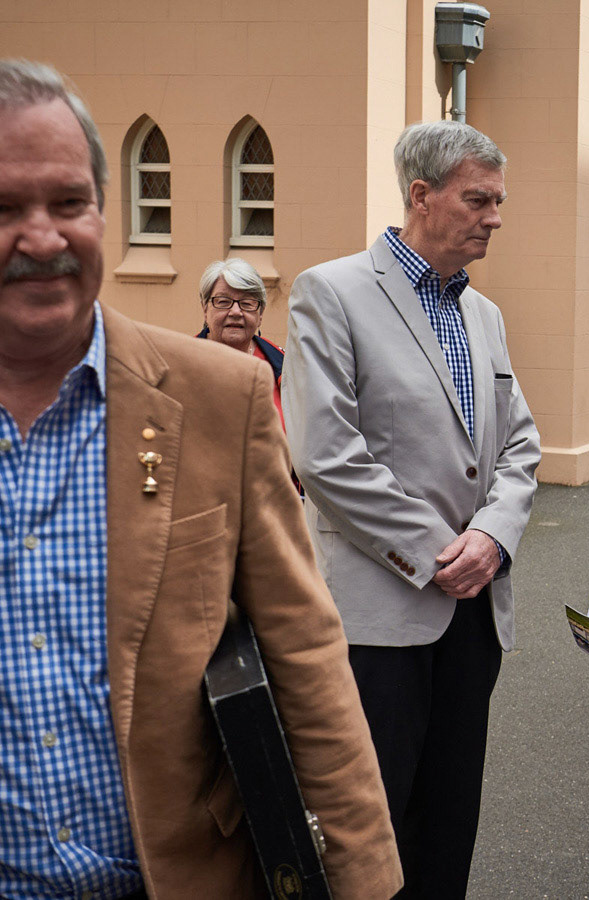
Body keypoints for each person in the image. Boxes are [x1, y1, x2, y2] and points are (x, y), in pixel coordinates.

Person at [0, 59, 402, 898]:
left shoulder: (222, 397)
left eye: (68, 203)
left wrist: (362, 878)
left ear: (104, 214)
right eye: (6, 208)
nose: (42, 238)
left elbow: (305, 652)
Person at [282, 120, 540, 898]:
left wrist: (492, 537)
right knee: (369, 828)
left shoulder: (483, 315)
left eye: (499, 200)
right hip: (380, 619)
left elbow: (520, 444)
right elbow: (325, 456)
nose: (495, 215)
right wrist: (440, 553)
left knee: (448, 823)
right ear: (420, 196)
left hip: (471, 615)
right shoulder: (331, 292)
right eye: (479, 199)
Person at [196, 257, 285, 422]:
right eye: (223, 302)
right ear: (205, 309)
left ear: (260, 314)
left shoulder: (283, 365)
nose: (236, 312)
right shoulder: (181, 362)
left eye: (247, 303)